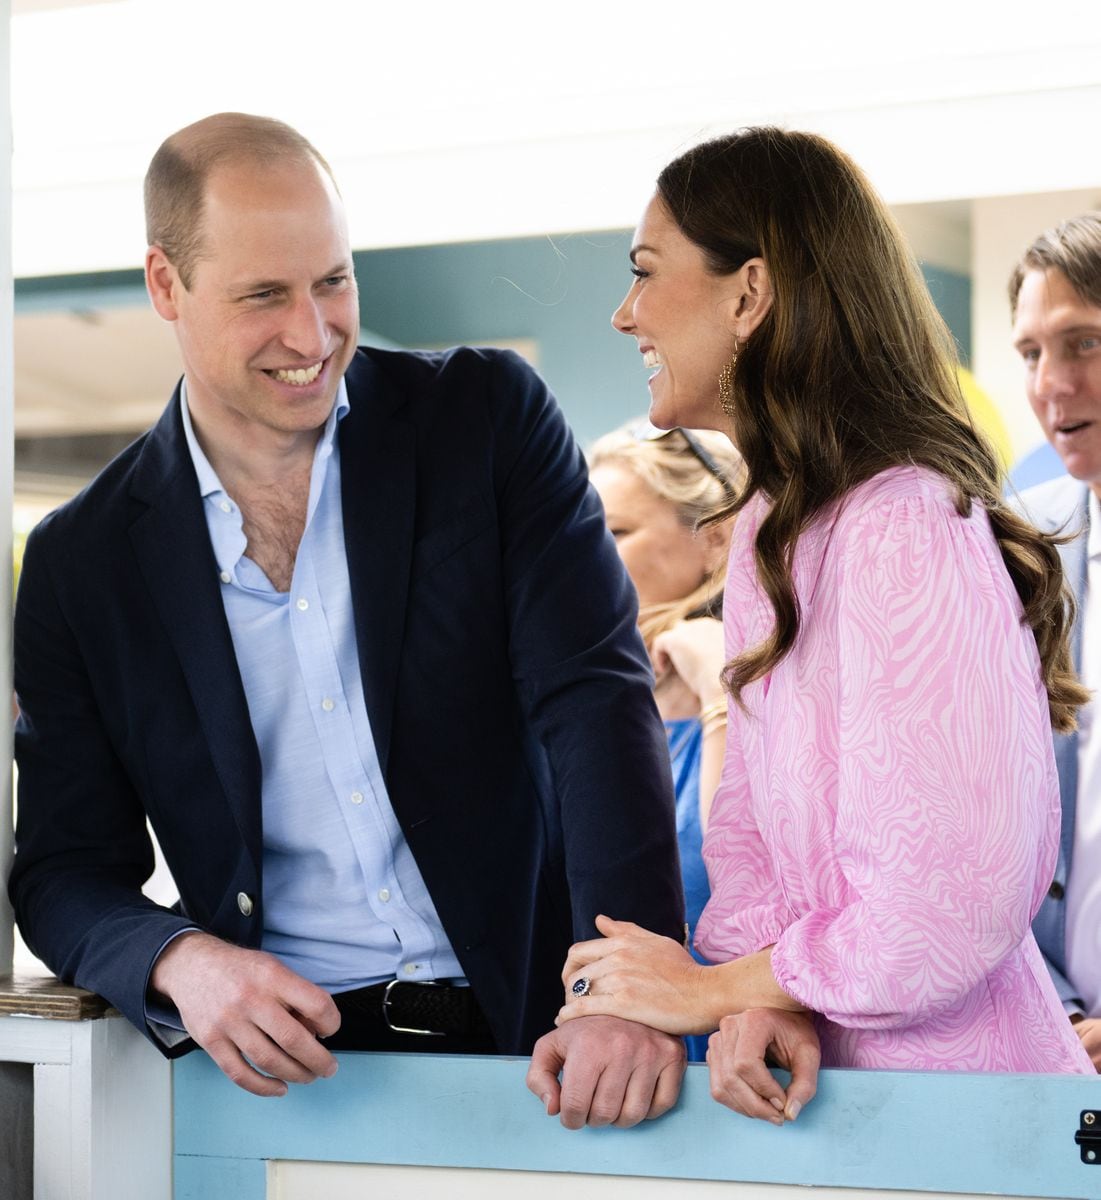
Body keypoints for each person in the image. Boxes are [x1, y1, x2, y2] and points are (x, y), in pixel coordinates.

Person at [8, 112, 688, 1127]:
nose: (313, 332)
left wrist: (630, 993)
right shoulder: (80, 563)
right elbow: (62, 867)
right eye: (264, 297)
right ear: (165, 285)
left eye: (333, 280)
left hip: (548, 1042)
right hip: (291, 1087)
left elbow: (595, 702)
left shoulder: (489, 419)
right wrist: (178, 959)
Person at [554, 127, 1095, 1124]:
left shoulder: (905, 522)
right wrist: (769, 999)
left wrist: (709, 989)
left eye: (645, 272)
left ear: (749, 293)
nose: (626, 312)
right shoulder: (775, 523)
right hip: (822, 1117)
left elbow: (947, 908)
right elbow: (754, 849)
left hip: (963, 1126)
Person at [588, 422, 739, 1061]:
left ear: (714, 538)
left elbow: (747, 883)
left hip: (744, 1066)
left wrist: (721, 698)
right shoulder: (585, 701)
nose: (582, 555)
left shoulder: (767, 684)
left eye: (615, 532)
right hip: (610, 1069)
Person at [1009, 212, 1101, 1071]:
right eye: (1032, 353)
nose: (1051, 384)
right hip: (1064, 1046)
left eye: (1084, 344)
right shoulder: (1027, 554)